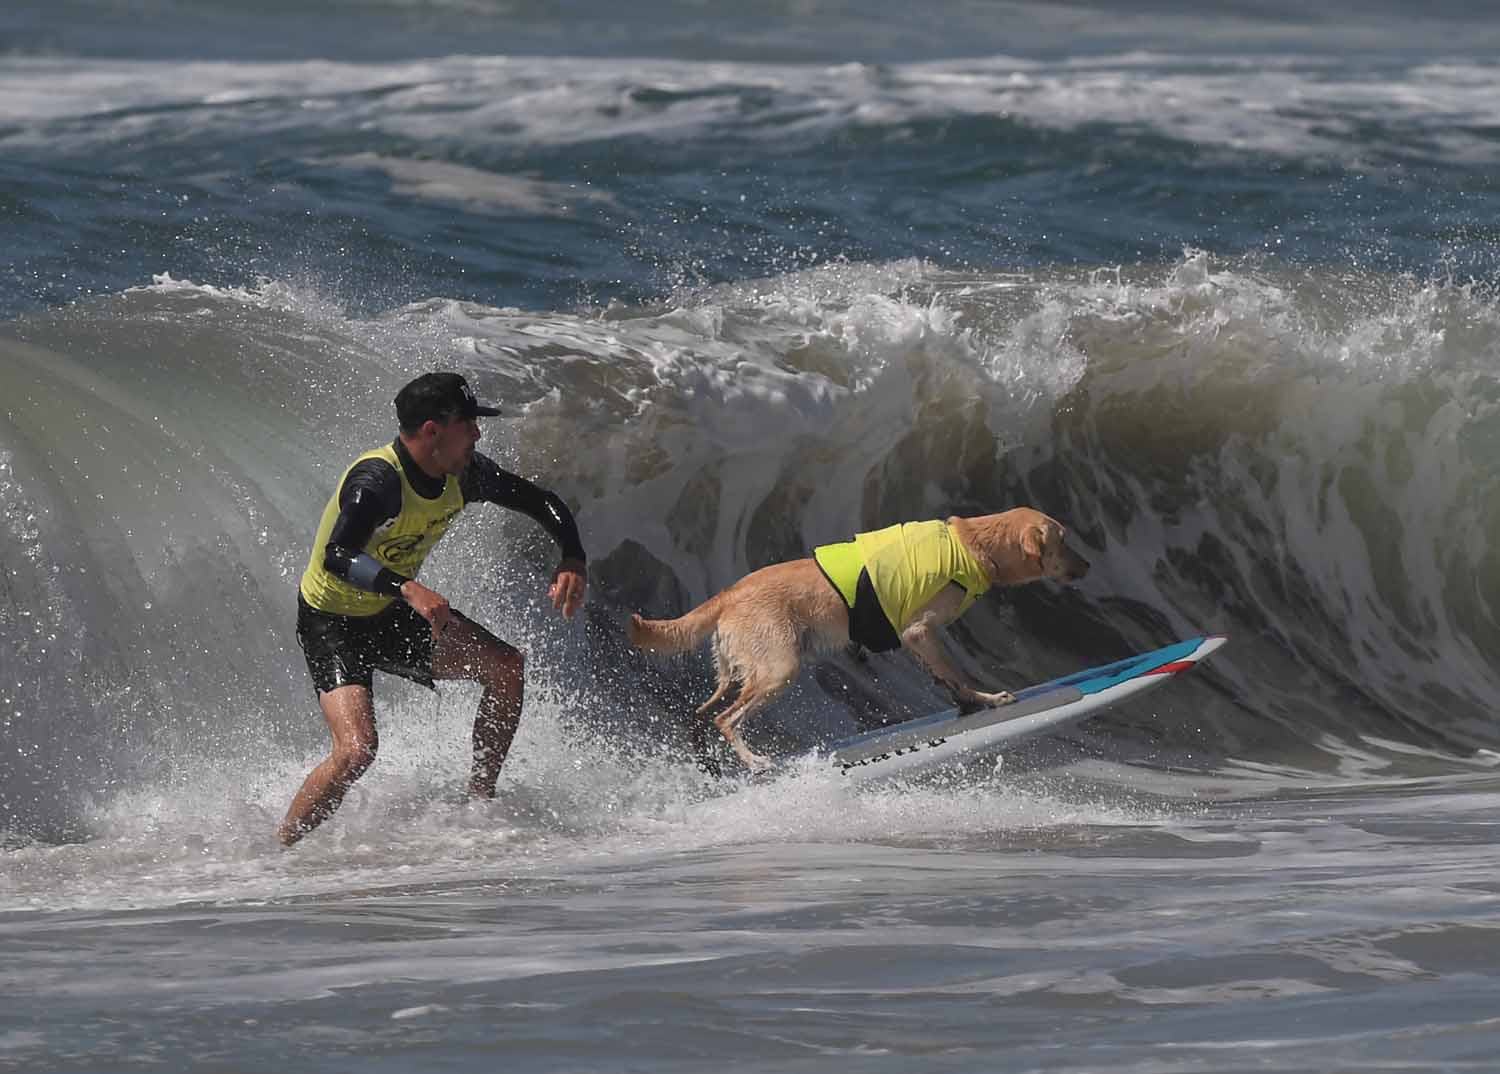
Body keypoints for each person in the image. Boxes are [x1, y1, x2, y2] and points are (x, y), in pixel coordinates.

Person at [279, 372, 587, 846]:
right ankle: (280, 851)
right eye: (468, 423)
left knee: (506, 668)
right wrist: (407, 588)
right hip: (332, 621)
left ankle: (479, 805)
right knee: (356, 751)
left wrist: (572, 556)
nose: (478, 435)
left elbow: (540, 501)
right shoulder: (377, 481)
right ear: (432, 431)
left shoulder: (464, 475)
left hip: (388, 613)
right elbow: (336, 557)